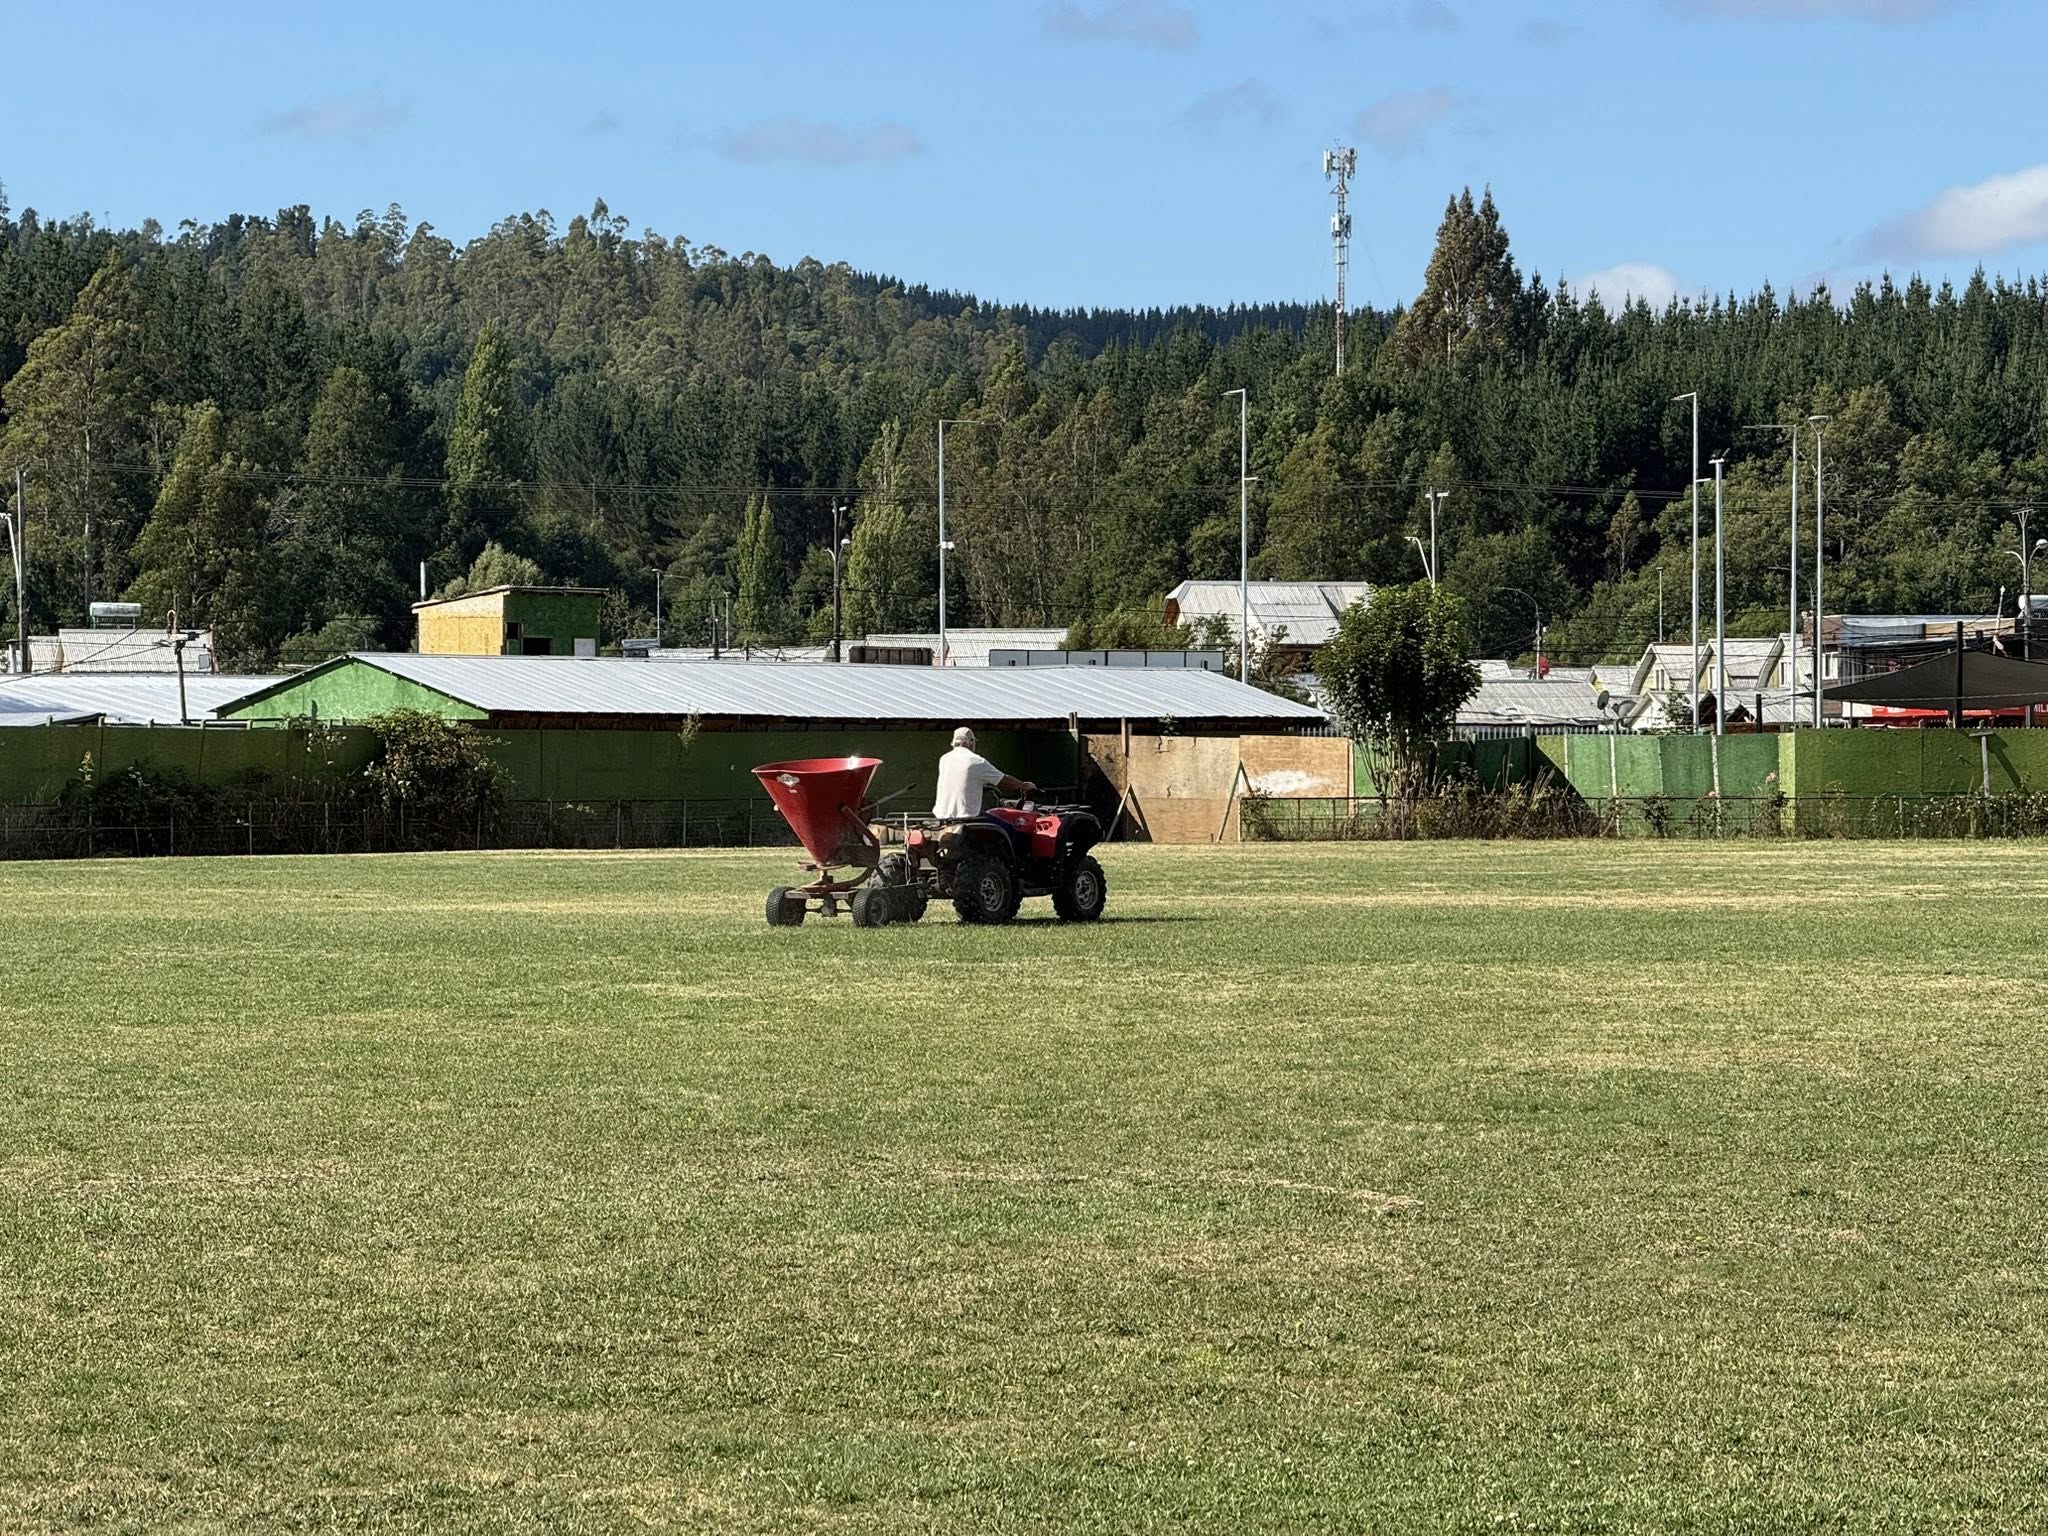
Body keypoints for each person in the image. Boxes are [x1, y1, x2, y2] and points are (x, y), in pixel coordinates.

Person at [933, 726, 1034, 819]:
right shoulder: (976, 761)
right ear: (971, 742)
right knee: (1010, 829)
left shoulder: (945, 759)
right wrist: (1024, 785)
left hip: (942, 816)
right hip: (967, 817)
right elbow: (1003, 781)